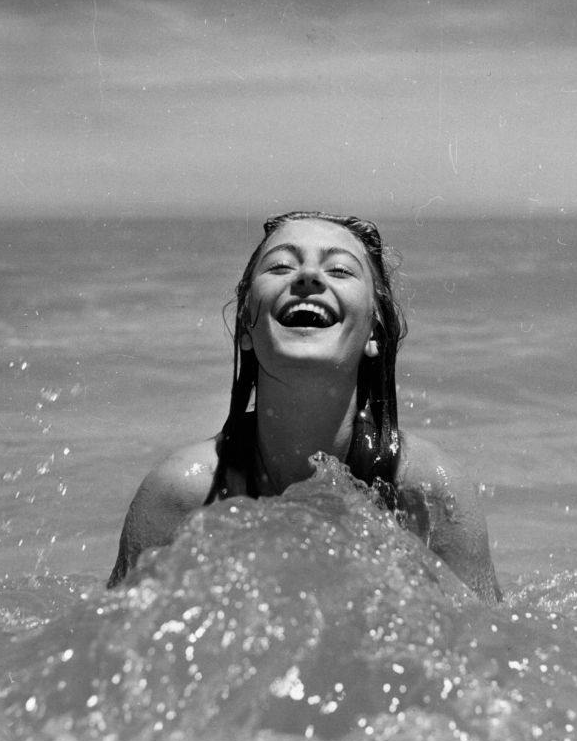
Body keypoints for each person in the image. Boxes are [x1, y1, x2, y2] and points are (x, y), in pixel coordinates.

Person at [107, 211, 502, 604]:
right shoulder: (185, 492)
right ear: (246, 325)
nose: (308, 277)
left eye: (341, 270)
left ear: (374, 332)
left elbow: (493, 643)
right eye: (280, 266)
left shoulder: (425, 491)